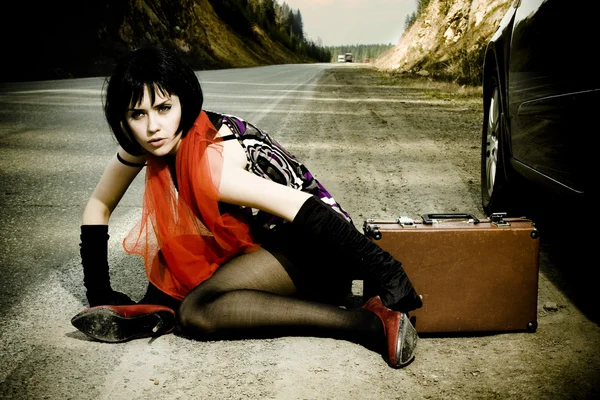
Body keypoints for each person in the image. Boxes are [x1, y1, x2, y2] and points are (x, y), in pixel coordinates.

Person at [70, 46, 423, 368]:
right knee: (174, 260)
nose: (152, 127)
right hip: (270, 243)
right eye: (137, 114)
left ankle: (367, 323)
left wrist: (389, 273)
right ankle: (159, 307)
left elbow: (306, 206)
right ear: (124, 120)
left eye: (163, 108)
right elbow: (99, 205)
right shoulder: (151, 141)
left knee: (199, 310)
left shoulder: (210, 161)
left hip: (315, 249)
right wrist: (99, 292)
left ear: (184, 102)